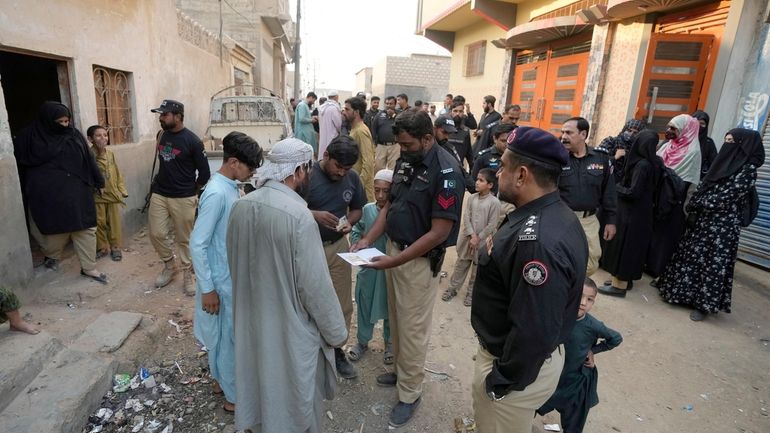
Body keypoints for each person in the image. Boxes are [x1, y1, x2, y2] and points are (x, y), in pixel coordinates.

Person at [350, 108, 465, 427]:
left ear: (428, 138)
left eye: (408, 144)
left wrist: (393, 260)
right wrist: (369, 241)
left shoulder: (447, 172)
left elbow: (439, 232)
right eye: (399, 144)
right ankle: (401, 373)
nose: (402, 150)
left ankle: (410, 393)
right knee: (397, 319)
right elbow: (390, 208)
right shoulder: (405, 161)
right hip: (393, 250)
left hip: (416, 262)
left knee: (413, 330)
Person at [471, 126, 588, 433]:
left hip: (516, 371)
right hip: (527, 363)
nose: (497, 175)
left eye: (503, 168)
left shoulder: (538, 241)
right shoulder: (552, 213)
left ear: (522, 175)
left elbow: (534, 329)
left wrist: (501, 381)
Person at [228, 138, 347, 433]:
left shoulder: (241, 206)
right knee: (293, 405)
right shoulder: (299, 217)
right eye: (306, 170)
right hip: (289, 331)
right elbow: (315, 287)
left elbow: (235, 264)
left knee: (259, 392)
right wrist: (337, 332)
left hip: (252, 323)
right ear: (298, 171)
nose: (307, 177)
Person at [658, 128, 765, 321]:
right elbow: (705, 182)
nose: (727, 145)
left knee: (713, 264)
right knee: (692, 257)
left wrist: (700, 202)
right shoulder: (722, 163)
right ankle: (680, 294)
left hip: (723, 226)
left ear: (742, 145)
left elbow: (728, 196)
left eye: (731, 141)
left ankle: (703, 305)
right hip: (704, 221)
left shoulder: (747, 170)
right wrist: (696, 200)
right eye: (726, 140)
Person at [191, 131, 262, 413]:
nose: (253, 172)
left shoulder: (232, 186)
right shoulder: (217, 193)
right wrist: (207, 288)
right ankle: (233, 397)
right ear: (234, 162)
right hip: (219, 280)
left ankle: (221, 380)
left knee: (223, 335)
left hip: (228, 274)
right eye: (250, 167)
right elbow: (198, 243)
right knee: (228, 337)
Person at [14, 101, 107, 284]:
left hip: (78, 192)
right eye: (60, 122)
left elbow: (89, 160)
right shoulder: (28, 137)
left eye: (67, 121)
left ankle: (89, 268)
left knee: (86, 229)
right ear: (47, 120)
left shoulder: (74, 135)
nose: (65, 125)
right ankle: (52, 257)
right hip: (47, 195)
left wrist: (99, 181)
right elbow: (21, 165)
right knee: (51, 230)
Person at [306, 135, 367, 380]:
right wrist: (313, 215)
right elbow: (287, 209)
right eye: (338, 167)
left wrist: (349, 223)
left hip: (339, 246)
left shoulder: (352, 178)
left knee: (341, 302)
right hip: (310, 248)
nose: (342, 173)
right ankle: (310, 352)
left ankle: (336, 351)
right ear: (326, 156)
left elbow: (357, 209)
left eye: (347, 169)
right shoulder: (306, 176)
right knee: (308, 302)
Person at [536, 278, 623, 433]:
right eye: (579, 296)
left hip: (576, 383)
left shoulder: (593, 325)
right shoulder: (556, 316)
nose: (583, 303)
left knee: (573, 424)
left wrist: (592, 351)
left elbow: (615, 338)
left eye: (590, 299)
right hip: (550, 379)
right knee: (529, 407)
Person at [148, 99, 211, 295]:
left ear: (178, 116)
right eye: (160, 114)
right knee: (156, 233)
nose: (161, 118)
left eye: (164, 114)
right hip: (160, 193)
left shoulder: (192, 141)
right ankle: (169, 265)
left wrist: (191, 190)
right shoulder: (161, 136)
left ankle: (187, 273)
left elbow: (205, 173)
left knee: (184, 239)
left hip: (183, 196)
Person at [598, 131, 662, 297]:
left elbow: (633, 192)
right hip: (642, 214)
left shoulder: (642, 165)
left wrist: (614, 187)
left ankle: (619, 286)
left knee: (625, 247)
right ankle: (623, 279)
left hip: (632, 214)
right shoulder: (654, 162)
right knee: (632, 248)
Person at [558, 117, 616, 276]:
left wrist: (611, 220)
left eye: (569, 133)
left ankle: (574, 286)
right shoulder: (557, 158)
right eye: (562, 132)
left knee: (591, 262)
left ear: (583, 134)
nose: (563, 137)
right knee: (558, 257)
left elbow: (609, 191)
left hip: (588, 220)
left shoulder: (601, 158)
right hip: (562, 218)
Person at [647, 114, 701, 281]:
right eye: (669, 127)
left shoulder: (692, 151)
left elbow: (686, 182)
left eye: (673, 128)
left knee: (666, 235)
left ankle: (657, 268)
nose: (668, 131)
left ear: (685, 131)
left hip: (675, 199)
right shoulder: (667, 146)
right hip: (659, 195)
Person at [349, 169, 394, 365]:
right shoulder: (367, 210)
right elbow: (357, 230)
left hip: (390, 269)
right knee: (365, 304)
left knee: (390, 307)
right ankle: (362, 342)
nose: (381, 195)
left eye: (386, 191)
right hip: (369, 268)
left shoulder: (397, 212)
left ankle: (390, 343)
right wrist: (356, 242)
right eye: (377, 190)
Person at [441, 168, 500, 306]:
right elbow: (466, 216)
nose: (477, 183)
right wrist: (472, 235)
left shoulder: (494, 203)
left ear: (490, 185)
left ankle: (471, 293)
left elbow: (492, 224)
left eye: (481, 180)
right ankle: (453, 288)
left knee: (477, 268)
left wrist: (479, 237)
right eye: (477, 179)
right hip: (468, 238)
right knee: (461, 263)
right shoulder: (472, 198)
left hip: (482, 242)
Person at [87, 125, 128, 262]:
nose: (103, 138)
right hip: (97, 196)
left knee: (114, 223)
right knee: (99, 222)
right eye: (98, 135)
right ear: (90, 139)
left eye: (105, 135)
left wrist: (122, 189)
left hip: (112, 195)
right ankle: (102, 247)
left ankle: (115, 247)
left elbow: (117, 172)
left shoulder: (110, 154)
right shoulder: (89, 156)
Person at [344, 96, 376, 201]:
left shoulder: (361, 131)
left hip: (362, 189)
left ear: (356, 112)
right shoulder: (355, 129)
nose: (344, 112)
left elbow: (368, 161)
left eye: (347, 109)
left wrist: (358, 184)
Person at [371, 96, 400, 171]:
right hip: (381, 146)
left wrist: (393, 116)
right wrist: (375, 142)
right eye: (387, 104)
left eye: (391, 104)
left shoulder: (399, 114)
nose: (389, 105)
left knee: (393, 168)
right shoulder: (379, 114)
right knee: (378, 168)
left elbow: (402, 125)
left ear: (395, 104)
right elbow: (374, 128)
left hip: (395, 145)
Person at [692, 110, 719, 179]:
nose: (699, 126)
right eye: (696, 122)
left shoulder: (708, 143)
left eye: (702, 123)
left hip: (695, 179)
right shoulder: (680, 138)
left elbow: (714, 164)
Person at [448, 102, 474, 169]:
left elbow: (469, 154)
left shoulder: (465, 132)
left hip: (458, 169)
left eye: (460, 111)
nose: (457, 114)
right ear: (451, 112)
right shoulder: (444, 129)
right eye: (455, 111)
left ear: (463, 113)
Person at [319, 90, 342, 157]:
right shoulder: (334, 108)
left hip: (323, 134)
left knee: (323, 151)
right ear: (336, 97)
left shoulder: (322, 108)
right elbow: (338, 124)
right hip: (332, 135)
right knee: (330, 153)